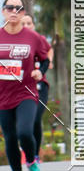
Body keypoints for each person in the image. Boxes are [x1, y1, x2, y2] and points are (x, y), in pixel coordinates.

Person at [0, 0, 49, 171]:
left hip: (26, 93)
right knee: (10, 137)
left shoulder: (32, 37)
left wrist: (40, 71)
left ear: (23, 13)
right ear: (3, 11)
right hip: (2, 96)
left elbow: (44, 59)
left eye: (18, 9)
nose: (13, 11)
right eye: (9, 8)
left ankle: (31, 161)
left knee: (24, 132)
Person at [22, 13, 53, 161]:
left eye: (29, 23)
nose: (26, 26)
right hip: (21, 88)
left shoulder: (39, 39)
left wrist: (47, 64)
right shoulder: (15, 42)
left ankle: (35, 154)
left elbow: (49, 50)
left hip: (40, 87)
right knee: (24, 123)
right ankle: (28, 150)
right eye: (23, 24)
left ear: (33, 25)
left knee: (35, 119)